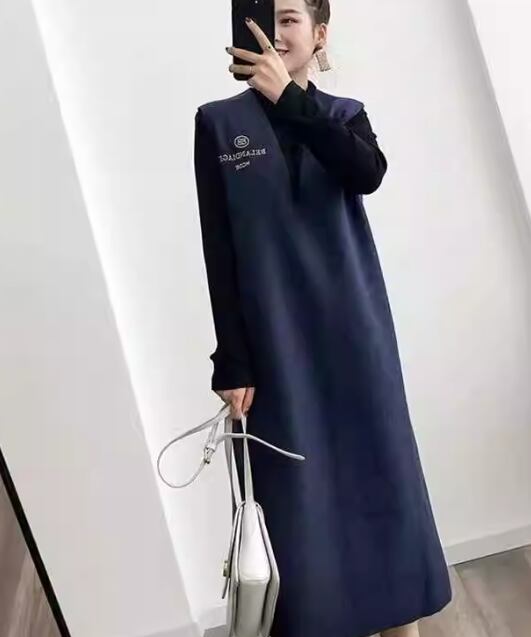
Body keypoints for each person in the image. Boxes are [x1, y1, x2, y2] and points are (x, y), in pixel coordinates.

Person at [193, 1, 452, 635]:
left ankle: (402, 622)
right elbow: (218, 247)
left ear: (319, 34)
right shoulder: (217, 124)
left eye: (289, 18)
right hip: (273, 341)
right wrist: (232, 359)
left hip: (354, 329)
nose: (275, 31)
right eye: (265, 16)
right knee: (295, 504)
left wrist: (290, 101)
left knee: (383, 479)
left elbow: (366, 174)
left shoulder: (343, 116)